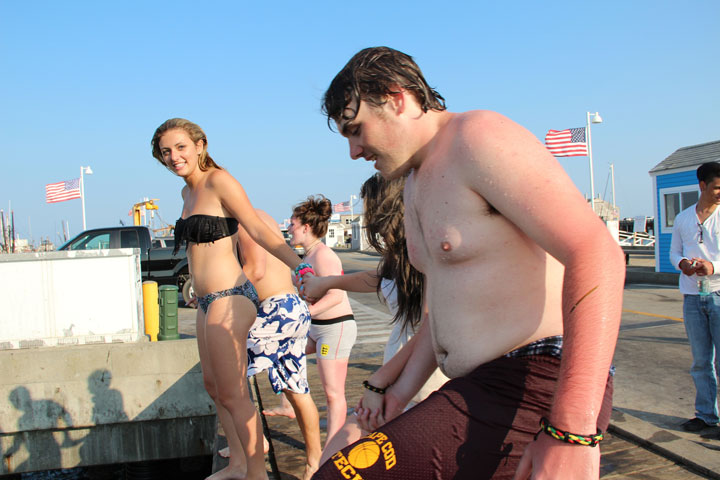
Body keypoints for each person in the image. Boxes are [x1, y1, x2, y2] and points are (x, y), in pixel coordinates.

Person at [311, 47, 625, 479]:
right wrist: (396, 394)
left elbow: (596, 251)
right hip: (474, 385)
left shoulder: (477, 137)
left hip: (533, 377)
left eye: (356, 128)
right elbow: (443, 310)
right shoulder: (415, 180)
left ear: (396, 98)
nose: (353, 150)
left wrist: (573, 430)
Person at [151, 118, 313, 480]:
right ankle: (238, 463)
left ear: (199, 145)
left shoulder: (219, 181)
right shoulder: (185, 194)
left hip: (230, 298)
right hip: (206, 302)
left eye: (180, 147)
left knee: (236, 394)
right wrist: (193, 285)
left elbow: (257, 229)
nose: (174, 156)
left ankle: (256, 473)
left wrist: (299, 266)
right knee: (215, 389)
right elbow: (198, 250)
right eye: (166, 152)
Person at [302, 173, 449, 465]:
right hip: (397, 373)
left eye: (371, 208)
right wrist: (327, 282)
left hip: (424, 380)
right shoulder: (401, 257)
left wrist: (378, 384)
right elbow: (378, 279)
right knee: (336, 459)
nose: (368, 219)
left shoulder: (427, 253)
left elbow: (430, 330)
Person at [287, 196, 358, 447]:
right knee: (285, 353)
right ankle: (287, 404)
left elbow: (337, 296)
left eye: (292, 224)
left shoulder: (324, 256)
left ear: (306, 228)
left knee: (333, 392)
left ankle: (333, 448)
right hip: (315, 329)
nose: (289, 228)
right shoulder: (304, 258)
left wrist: (306, 312)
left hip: (334, 329)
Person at [669, 162, 720, 434]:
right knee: (701, 361)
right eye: (717, 187)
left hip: (718, 294)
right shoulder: (683, 218)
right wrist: (683, 265)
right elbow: (674, 252)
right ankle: (705, 415)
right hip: (692, 296)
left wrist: (712, 267)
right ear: (703, 186)